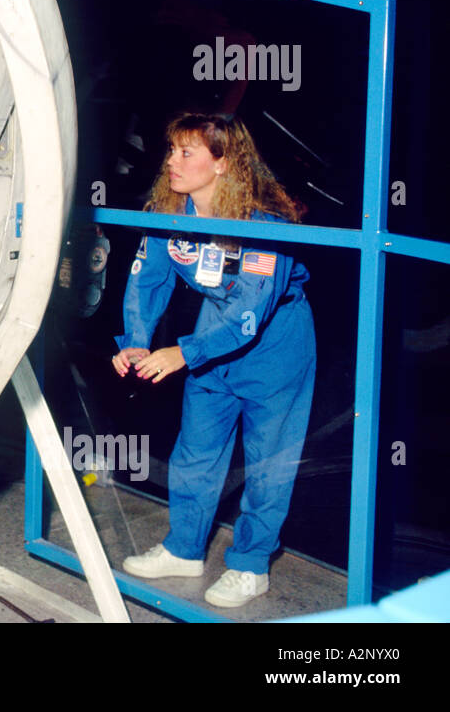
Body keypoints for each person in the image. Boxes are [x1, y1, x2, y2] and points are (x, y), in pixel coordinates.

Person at [110, 112, 315, 608]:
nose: (172, 162)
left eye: (187, 153)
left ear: (223, 164)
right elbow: (147, 280)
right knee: (194, 454)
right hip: (209, 338)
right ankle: (184, 550)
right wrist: (136, 341)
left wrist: (183, 352)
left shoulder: (265, 225)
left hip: (275, 349)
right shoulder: (169, 212)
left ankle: (250, 566)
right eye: (171, 150)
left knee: (268, 465)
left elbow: (250, 310)